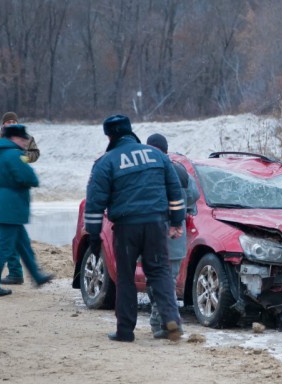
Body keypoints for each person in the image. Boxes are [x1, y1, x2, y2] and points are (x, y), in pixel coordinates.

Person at [84, 115, 185, 342]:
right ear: (131, 132)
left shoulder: (106, 162)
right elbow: (175, 191)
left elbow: (95, 200)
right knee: (159, 273)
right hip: (156, 224)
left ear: (110, 135)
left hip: (126, 227)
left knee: (126, 277)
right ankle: (171, 321)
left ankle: (125, 330)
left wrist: (93, 233)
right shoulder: (157, 155)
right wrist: (177, 221)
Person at [0, 124, 53, 297]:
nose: (24, 142)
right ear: (13, 138)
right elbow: (30, 177)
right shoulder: (13, 154)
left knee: (23, 243)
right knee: (4, 247)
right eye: (22, 139)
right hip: (11, 207)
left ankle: (36, 275)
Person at [145, 133, 200, 338]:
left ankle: (161, 323)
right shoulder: (180, 170)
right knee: (168, 280)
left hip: (151, 233)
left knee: (156, 280)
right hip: (175, 238)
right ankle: (167, 322)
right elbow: (193, 197)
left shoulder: (148, 169)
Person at [0, 112, 38, 282]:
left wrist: (23, 159)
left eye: (13, 121)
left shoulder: (22, 139)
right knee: (15, 239)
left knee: (8, 240)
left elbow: (34, 155)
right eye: (8, 121)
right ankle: (32, 275)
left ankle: (6, 277)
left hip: (6, 198)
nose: (10, 123)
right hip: (0, 196)